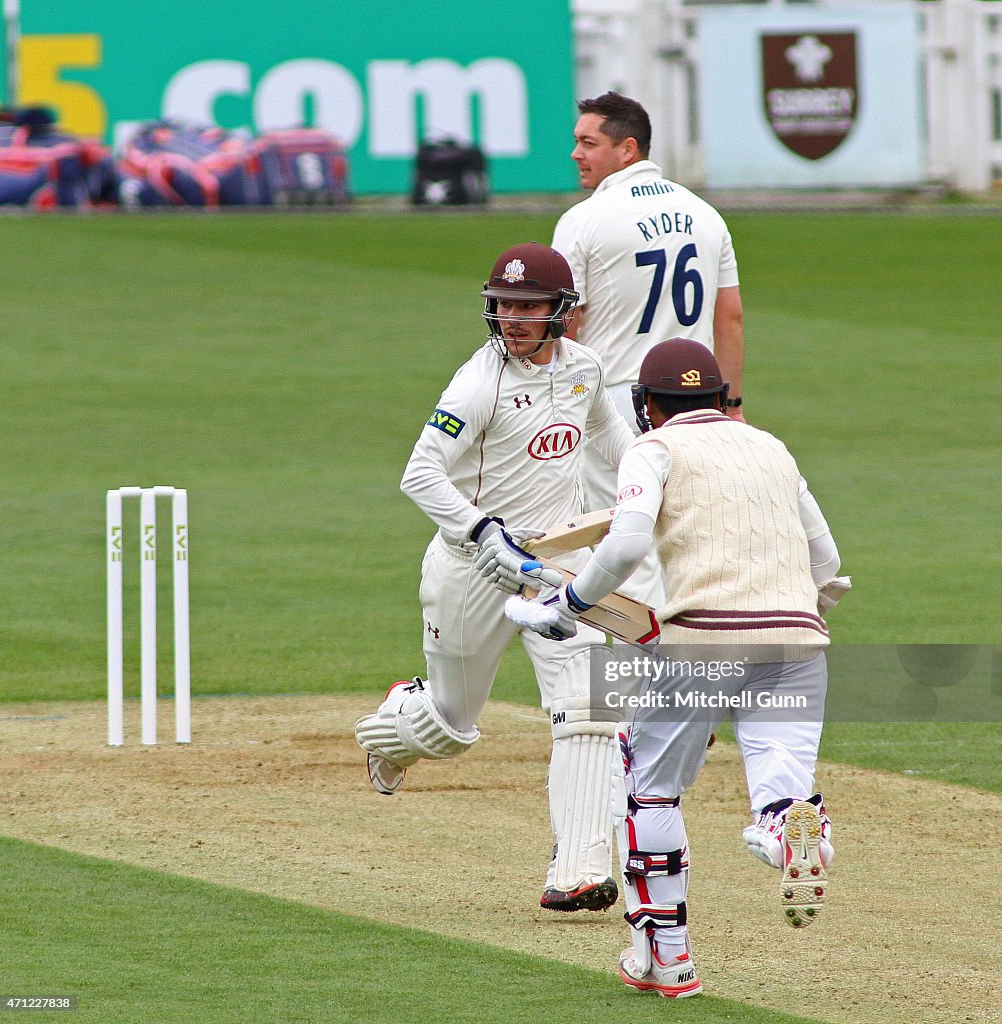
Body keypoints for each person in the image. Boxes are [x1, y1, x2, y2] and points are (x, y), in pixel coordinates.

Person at [503, 338, 850, 997]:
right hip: (798, 639)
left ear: (648, 405)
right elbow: (826, 562)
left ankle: (667, 960)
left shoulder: (654, 449)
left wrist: (571, 601)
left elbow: (629, 540)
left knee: (649, 786)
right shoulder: (771, 449)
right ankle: (786, 826)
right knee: (779, 771)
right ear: (720, 397)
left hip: (702, 642)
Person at [354, 242, 637, 913]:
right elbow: (419, 473)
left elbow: (616, 442)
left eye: (527, 306)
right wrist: (483, 532)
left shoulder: (586, 370)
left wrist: (650, 484)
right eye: (503, 305)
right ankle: (398, 716)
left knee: (590, 709)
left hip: (555, 568)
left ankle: (580, 868)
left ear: (560, 312)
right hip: (471, 569)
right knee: (450, 728)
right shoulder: (477, 384)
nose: (512, 318)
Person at [552, 92, 746, 605]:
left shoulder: (585, 219)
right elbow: (730, 318)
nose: (576, 153)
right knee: (688, 545)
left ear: (627, 149)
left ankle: (651, 683)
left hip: (618, 402)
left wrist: (557, 408)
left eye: (588, 142)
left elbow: (566, 324)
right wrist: (733, 406)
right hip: (703, 407)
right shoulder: (705, 214)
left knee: (624, 550)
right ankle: (699, 674)